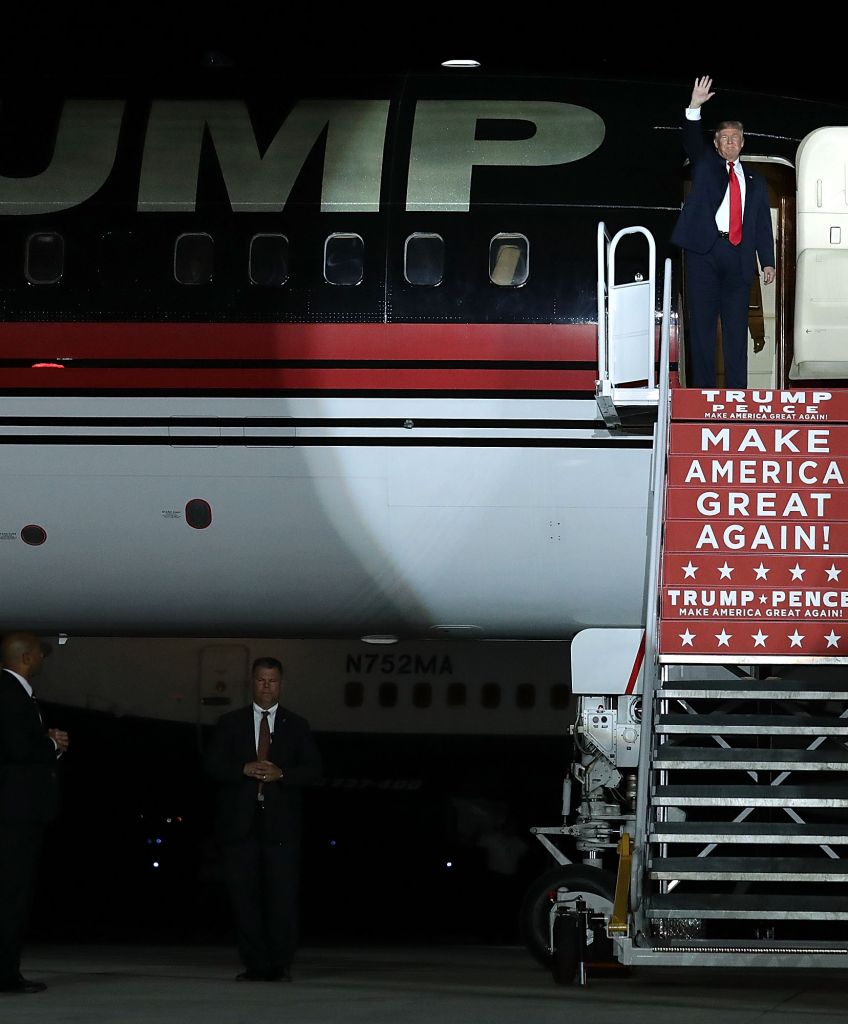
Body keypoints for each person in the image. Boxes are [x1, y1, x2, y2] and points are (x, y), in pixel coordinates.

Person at [204, 656, 322, 982]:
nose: (266, 686)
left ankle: (280, 963)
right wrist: (242, 769)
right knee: (244, 899)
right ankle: (255, 964)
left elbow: (314, 770)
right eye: (260, 680)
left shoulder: (296, 725)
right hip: (240, 826)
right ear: (252, 683)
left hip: (281, 828)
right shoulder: (230, 722)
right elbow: (211, 765)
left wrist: (281, 773)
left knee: (282, 899)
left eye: (272, 680)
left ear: (281, 684)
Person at [671, 75, 776, 389]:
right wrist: (694, 107)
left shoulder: (756, 181)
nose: (730, 142)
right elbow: (691, 139)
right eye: (724, 138)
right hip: (704, 252)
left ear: (743, 142)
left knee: (735, 329)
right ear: (716, 144)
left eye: (735, 137)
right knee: (702, 328)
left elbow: (761, 224)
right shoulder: (705, 164)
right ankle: (703, 393)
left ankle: (737, 394)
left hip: (739, 256)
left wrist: (767, 261)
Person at [0, 631, 68, 995]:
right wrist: (51, 744)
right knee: (12, 895)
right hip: (16, 813)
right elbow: (18, 748)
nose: (43, 660)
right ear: (26, 658)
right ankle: (5, 972)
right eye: (41, 654)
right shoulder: (12, 696)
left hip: (12, 811)